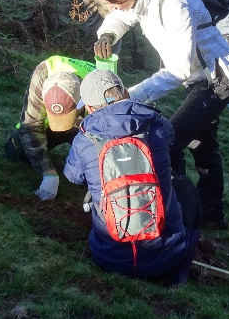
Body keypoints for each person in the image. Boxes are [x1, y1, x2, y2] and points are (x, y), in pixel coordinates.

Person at [91, 0, 229, 229]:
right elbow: (122, 16)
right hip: (198, 77)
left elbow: (178, 70)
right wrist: (107, 34)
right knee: (202, 145)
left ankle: (180, 212)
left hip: (217, 80)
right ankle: (211, 215)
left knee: (169, 142)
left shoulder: (173, 3)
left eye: (114, 1)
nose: (112, 8)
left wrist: (129, 96)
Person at [63, 69, 198, 282]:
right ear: (125, 93)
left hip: (109, 256)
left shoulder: (84, 138)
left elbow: (73, 176)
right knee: (183, 187)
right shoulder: (157, 124)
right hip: (167, 257)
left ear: (89, 108)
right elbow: (171, 143)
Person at [4, 55, 96, 200]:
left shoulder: (98, 84)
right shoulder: (43, 73)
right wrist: (48, 173)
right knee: (15, 150)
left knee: (92, 160)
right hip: (49, 128)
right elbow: (31, 125)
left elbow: (106, 136)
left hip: (82, 127)